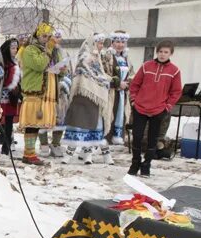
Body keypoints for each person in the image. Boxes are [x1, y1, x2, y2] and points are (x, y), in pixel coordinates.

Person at [128, 39, 183, 177]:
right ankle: (135, 163)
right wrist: (134, 100)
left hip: (158, 110)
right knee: (137, 137)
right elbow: (135, 84)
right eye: (160, 51)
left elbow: (176, 91)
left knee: (153, 139)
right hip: (140, 107)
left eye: (166, 52)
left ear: (170, 53)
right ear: (156, 52)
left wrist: (167, 106)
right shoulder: (146, 66)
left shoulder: (174, 71)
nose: (162, 54)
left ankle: (146, 165)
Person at [61, 34, 115, 165]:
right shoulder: (85, 57)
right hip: (82, 98)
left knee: (95, 126)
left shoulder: (97, 58)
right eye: (98, 43)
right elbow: (87, 75)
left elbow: (99, 76)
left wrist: (108, 80)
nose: (101, 46)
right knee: (80, 125)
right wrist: (105, 81)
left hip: (94, 98)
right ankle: (69, 155)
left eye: (102, 43)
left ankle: (91, 154)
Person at [18, 22, 56, 165]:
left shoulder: (42, 49)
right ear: (37, 35)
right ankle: (28, 154)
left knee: (35, 123)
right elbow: (39, 65)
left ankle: (30, 153)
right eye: (44, 36)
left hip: (41, 92)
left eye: (48, 36)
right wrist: (48, 51)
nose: (47, 39)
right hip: (32, 91)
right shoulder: (30, 50)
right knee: (31, 123)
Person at [39, 28, 69, 157]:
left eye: (58, 37)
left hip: (59, 87)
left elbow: (66, 71)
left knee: (60, 116)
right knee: (42, 116)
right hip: (44, 87)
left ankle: (56, 143)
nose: (56, 40)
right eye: (54, 37)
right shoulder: (42, 50)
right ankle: (43, 143)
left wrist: (62, 70)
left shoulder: (62, 52)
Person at [106, 30, 134, 144]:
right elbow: (102, 73)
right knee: (109, 114)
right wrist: (116, 83)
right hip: (110, 92)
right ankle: (105, 141)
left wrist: (128, 83)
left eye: (123, 42)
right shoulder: (107, 57)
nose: (120, 45)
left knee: (120, 113)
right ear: (112, 42)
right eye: (117, 42)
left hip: (123, 93)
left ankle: (116, 138)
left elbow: (132, 73)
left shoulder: (126, 59)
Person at [0, 36, 21, 156]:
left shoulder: (15, 62)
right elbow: (3, 80)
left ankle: (6, 148)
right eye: (12, 48)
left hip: (12, 97)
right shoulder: (4, 64)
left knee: (9, 124)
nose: (15, 50)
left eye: (16, 48)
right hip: (2, 97)